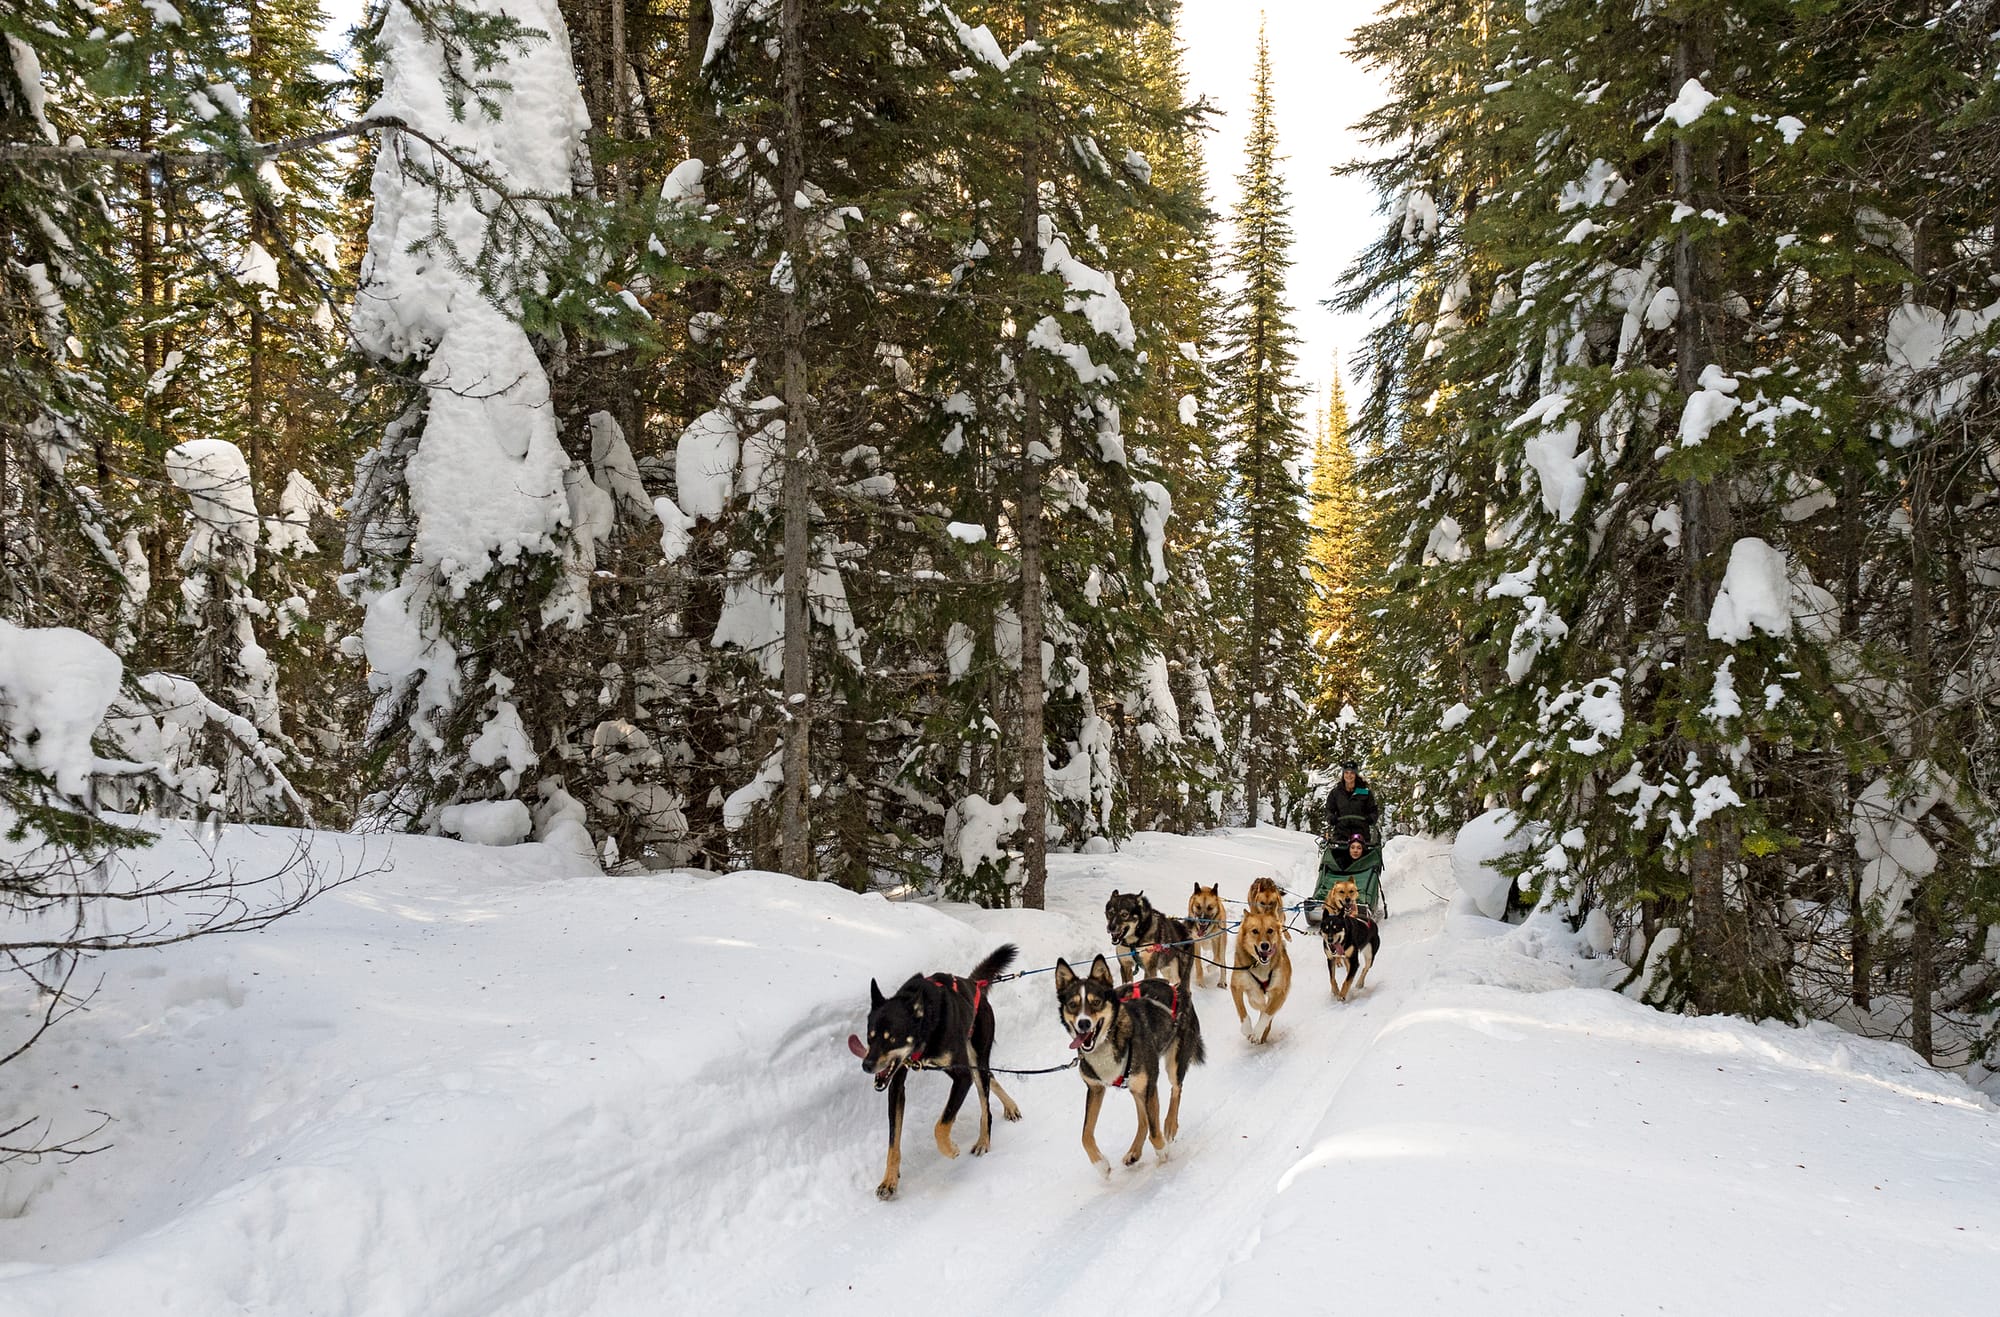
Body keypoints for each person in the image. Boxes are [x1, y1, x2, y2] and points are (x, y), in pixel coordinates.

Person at [1324, 761, 1377, 844]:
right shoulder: (1336, 792)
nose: (1349, 775)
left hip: (1361, 834)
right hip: (1341, 834)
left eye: (1352, 773)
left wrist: (1371, 818)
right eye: (1346, 773)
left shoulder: (1364, 792)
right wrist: (1331, 817)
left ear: (1356, 774)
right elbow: (1329, 809)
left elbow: (1373, 810)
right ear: (1343, 774)